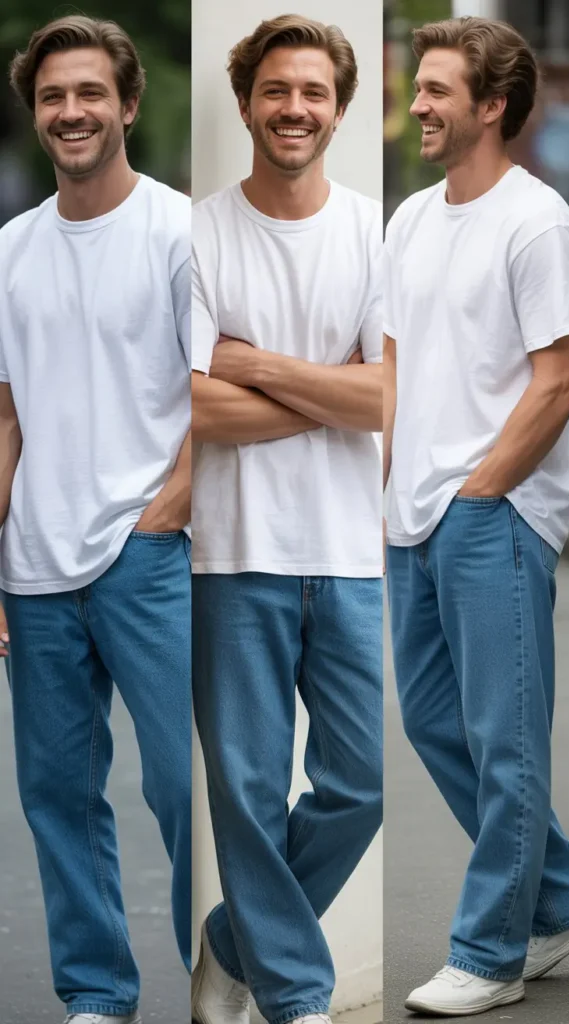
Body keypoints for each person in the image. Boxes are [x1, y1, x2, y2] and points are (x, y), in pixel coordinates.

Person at [190, 14, 383, 1024]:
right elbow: (188, 405)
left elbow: (389, 397)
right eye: (276, 90)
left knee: (361, 786)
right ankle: (296, 996)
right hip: (230, 554)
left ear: (339, 111)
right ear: (245, 103)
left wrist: (255, 364)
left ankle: (234, 944)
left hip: (348, 553)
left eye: (313, 92)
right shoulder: (194, 235)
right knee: (248, 793)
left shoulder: (375, 234)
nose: (294, 108)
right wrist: (331, 389)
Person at [0, 15, 191, 1024]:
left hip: (146, 555)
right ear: (35, 113)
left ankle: (226, 974)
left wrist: (169, 510)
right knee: (57, 797)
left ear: (127, 103)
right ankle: (97, 995)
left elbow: (213, 395)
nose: (70, 112)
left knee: (187, 787)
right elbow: (4, 416)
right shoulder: (10, 250)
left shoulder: (179, 230)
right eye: (52, 97)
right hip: (33, 567)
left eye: (88, 93)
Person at [383, 16, 569, 1018]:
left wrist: (483, 491)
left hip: (491, 513)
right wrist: (389, 487)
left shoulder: (535, 222)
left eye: (436, 90)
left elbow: (559, 378)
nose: (416, 103)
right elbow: (393, 366)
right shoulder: (411, 219)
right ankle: (561, 897)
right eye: (418, 87)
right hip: (410, 517)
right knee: (430, 720)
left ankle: (492, 950)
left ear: (491, 105)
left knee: (506, 742)